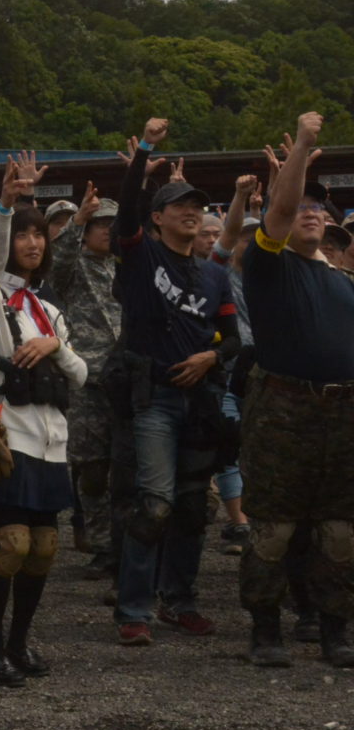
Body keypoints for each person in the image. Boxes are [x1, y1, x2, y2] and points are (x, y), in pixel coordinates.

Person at [109, 118, 241, 645]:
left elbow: (233, 340)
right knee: (154, 504)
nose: (192, 211)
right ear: (158, 217)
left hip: (200, 400)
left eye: (198, 206)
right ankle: (133, 611)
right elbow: (125, 210)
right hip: (156, 400)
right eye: (180, 205)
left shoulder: (215, 274)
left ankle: (179, 602)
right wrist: (145, 150)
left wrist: (211, 357)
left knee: (192, 507)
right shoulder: (142, 254)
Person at [237, 113, 354, 668]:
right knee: (275, 530)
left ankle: (335, 631)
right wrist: (304, 148)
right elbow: (279, 213)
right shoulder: (269, 265)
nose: (309, 213)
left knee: (340, 531)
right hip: (283, 411)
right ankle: (266, 630)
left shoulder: (343, 281)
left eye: (318, 209)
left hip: (343, 415)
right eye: (302, 206)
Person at [0, 157, 87, 685]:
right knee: (10, 544)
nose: (33, 243)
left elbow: (81, 374)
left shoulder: (47, 310)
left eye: (39, 235)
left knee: (42, 549)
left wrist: (54, 345)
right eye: (23, 234)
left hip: (51, 436)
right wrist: (3, 208)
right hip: (6, 430)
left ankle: (19, 643)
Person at [50, 183, 122, 576]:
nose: (107, 230)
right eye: (100, 224)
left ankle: (130, 544)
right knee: (93, 469)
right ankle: (102, 544)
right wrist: (77, 220)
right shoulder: (73, 267)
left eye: (113, 224)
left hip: (128, 381)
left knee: (129, 468)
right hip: (89, 381)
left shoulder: (128, 266)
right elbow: (56, 259)